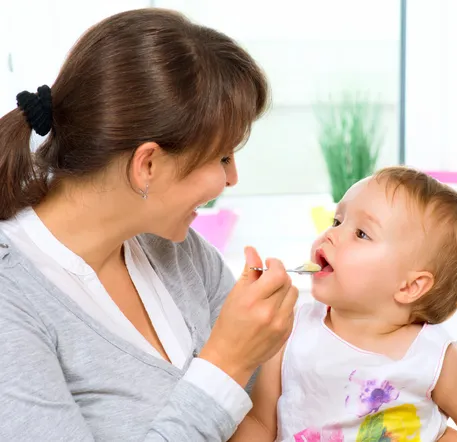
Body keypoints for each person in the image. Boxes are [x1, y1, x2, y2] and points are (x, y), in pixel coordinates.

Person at [0, 8, 299, 441]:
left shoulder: (178, 251)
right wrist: (227, 362)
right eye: (222, 158)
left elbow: (261, 425)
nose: (232, 178)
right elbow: (234, 401)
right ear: (148, 164)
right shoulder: (14, 302)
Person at [230, 166, 457, 441]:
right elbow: (259, 423)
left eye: (361, 234)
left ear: (410, 286)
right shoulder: (290, 332)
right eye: (337, 222)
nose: (331, 234)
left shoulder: (433, 358)